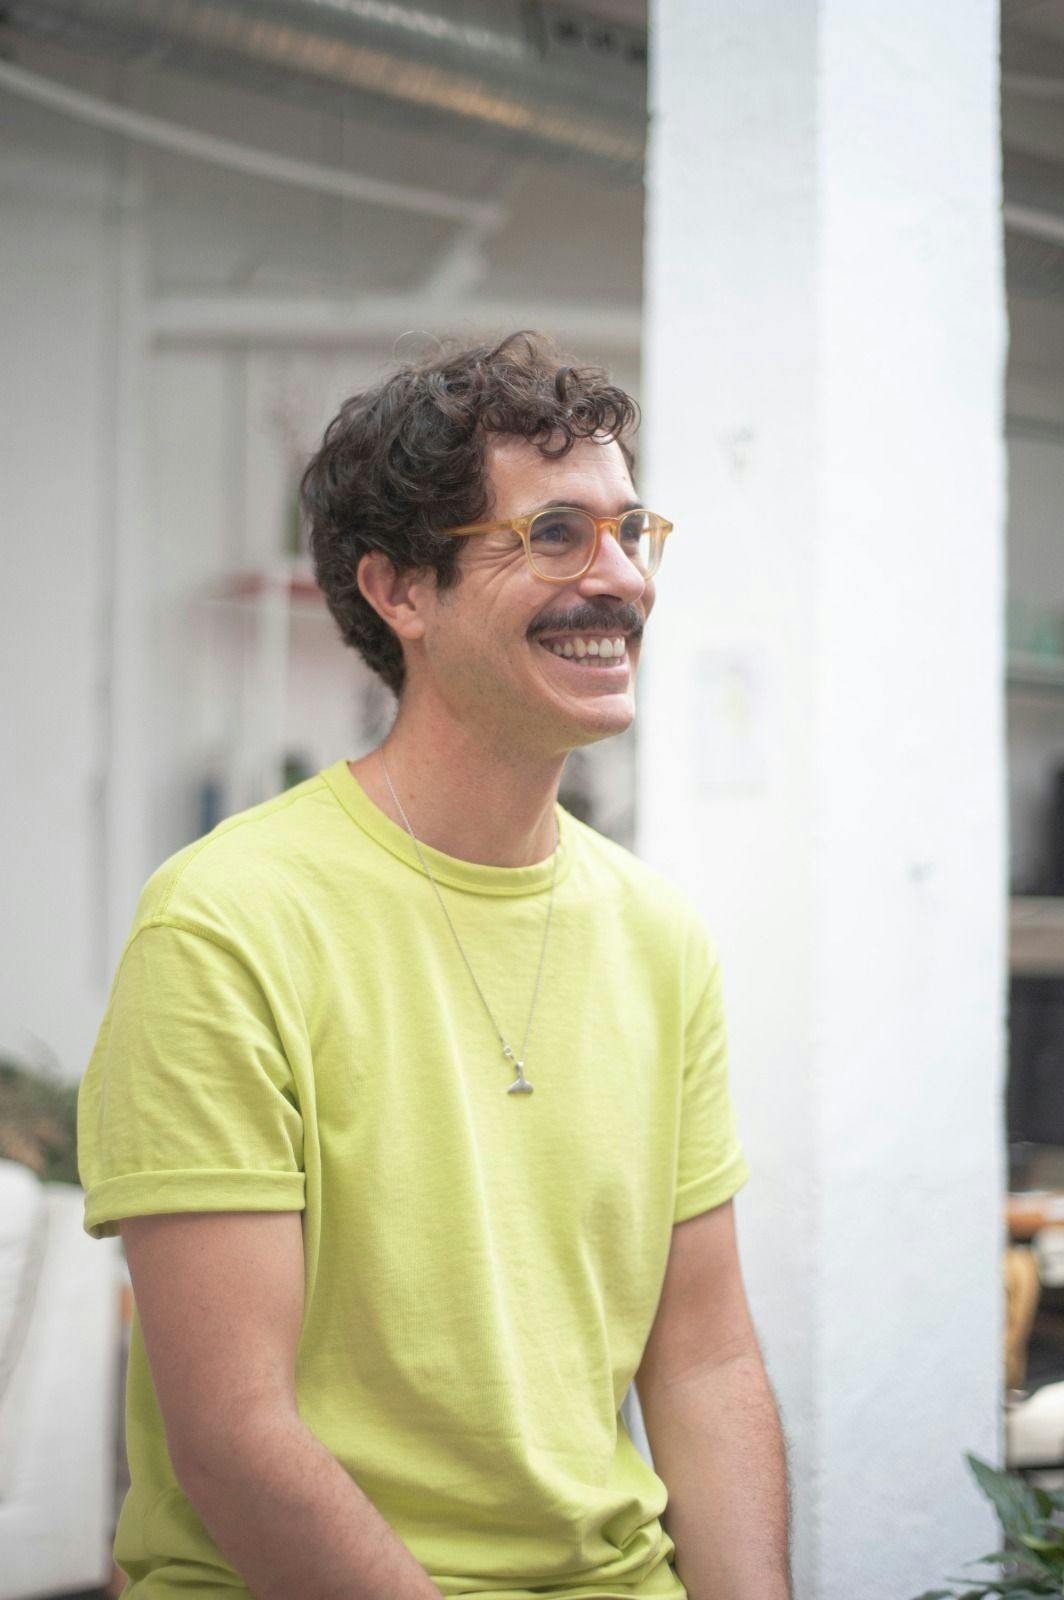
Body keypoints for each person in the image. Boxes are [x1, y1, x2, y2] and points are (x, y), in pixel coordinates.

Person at [77, 330, 792, 1600]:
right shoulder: (226, 923)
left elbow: (703, 1361)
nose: (618, 577)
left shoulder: (654, 932)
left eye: (630, 531)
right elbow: (237, 1436)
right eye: (554, 536)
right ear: (401, 592)